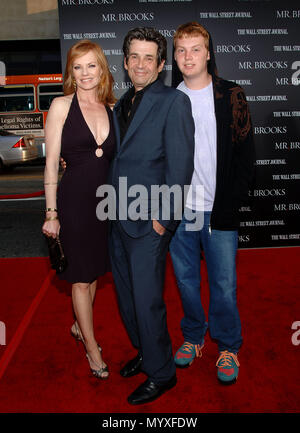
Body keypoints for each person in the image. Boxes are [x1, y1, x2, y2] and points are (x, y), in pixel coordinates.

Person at [109, 27, 195, 404]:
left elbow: (181, 168)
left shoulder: (172, 102)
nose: (141, 64)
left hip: (149, 222)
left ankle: (162, 374)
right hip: (115, 216)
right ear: (125, 62)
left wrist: (165, 221)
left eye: (149, 58)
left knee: (147, 300)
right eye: (134, 57)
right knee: (127, 298)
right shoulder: (120, 103)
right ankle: (147, 353)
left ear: (161, 65)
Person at [169, 22, 255, 384]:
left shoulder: (231, 95)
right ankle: (193, 337)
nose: (188, 56)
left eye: (195, 49)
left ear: (208, 53)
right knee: (186, 282)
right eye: (181, 50)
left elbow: (245, 156)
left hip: (218, 209)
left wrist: (229, 206)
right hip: (180, 210)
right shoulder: (168, 99)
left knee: (223, 283)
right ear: (174, 56)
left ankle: (228, 346)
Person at [42, 40, 116, 379]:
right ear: (70, 72)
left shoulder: (111, 107)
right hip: (72, 204)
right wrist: (52, 214)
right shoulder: (60, 106)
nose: (85, 73)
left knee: (95, 271)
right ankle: (91, 348)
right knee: (81, 279)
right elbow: (50, 167)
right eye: (77, 67)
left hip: (105, 204)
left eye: (91, 66)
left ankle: (77, 326)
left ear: (101, 68)